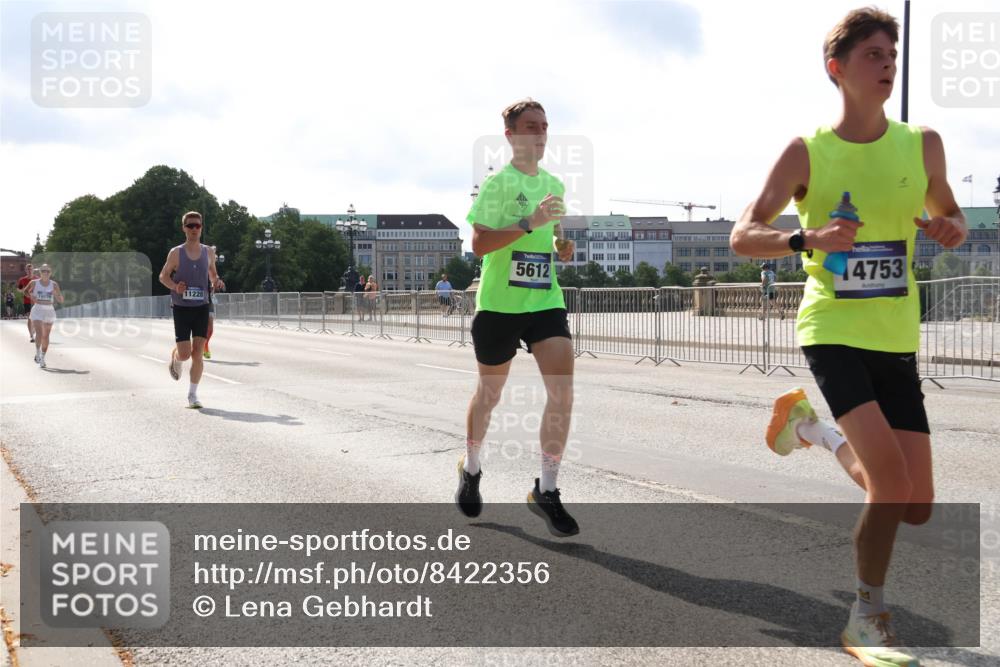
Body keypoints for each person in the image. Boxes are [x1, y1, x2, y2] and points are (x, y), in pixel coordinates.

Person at [729, 8, 966, 666]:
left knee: (913, 505)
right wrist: (805, 237)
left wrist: (951, 227)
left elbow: (948, 210)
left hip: (895, 333)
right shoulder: (807, 152)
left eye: (893, 54)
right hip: (831, 327)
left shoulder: (923, 144)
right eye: (873, 55)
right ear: (836, 69)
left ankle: (810, 429)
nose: (888, 63)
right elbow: (743, 235)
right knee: (888, 485)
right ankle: (867, 615)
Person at [456, 98, 578, 537]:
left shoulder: (554, 185)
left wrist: (563, 247)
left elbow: (557, 236)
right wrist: (530, 222)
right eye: (531, 126)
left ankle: (546, 489)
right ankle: (471, 467)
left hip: (544, 301)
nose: (541, 133)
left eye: (545, 126)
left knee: (562, 390)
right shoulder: (497, 184)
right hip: (499, 307)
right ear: (510, 135)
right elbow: (480, 245)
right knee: (489, 395)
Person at [158, 212, 224, 408]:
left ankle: (193, 395)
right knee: (186, 354)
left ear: (202, 227)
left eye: (197, 225)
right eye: (190, 226)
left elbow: (213, 274)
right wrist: (175, 286)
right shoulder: (176, 253)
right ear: (184, 228)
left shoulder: (208, 252)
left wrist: (216, 282)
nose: (194, 229)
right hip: (181, 307)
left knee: (198, 354)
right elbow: (163, 276)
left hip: (202, 307)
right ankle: (177, 357)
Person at [25, 264, 64, 368]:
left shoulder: (54, 284)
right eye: (43, 271)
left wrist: (57, 295)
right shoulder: (34, 283)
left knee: (46, 336)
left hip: (49, 311)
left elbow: (61, 299)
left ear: (50, 273)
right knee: (39, 333)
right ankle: (37, 352)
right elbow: (25, 291)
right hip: (38, 309)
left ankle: (42, 357)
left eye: (48, 271)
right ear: (40, 272)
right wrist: (33, 298)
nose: (46, 273)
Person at [16, 263, 35, 341]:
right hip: (27, 301)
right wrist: (23, 291)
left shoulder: (37, 279)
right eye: (28, 269)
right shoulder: (22, 280)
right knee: (30, 318)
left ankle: (33, 331)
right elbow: (18, 289)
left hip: (36, 301)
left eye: (31, 269)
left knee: (36, 319)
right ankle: (31, 335)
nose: (29, 271)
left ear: (33, 270)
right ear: (26, 270)